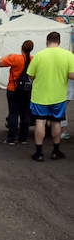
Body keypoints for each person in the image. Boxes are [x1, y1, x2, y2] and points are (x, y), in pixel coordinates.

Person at [27, 32, 74, 161]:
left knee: (40, 122)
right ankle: (55, 150)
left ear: (47, 42)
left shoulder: (39, 56)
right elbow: (72, 75)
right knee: (56, 122)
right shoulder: (68, 55)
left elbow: (30, 75)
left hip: (40, 96)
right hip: (58, 96)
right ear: (59, 42)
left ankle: (39, 152)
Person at [0, 40, 34, 145]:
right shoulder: (32, 59)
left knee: (13, 113)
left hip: (14, 88)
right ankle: (23, 138)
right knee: (25, 113)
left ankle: (11, 138)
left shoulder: (15, 58)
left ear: (22, 47)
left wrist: (7, 55)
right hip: (27, 90)